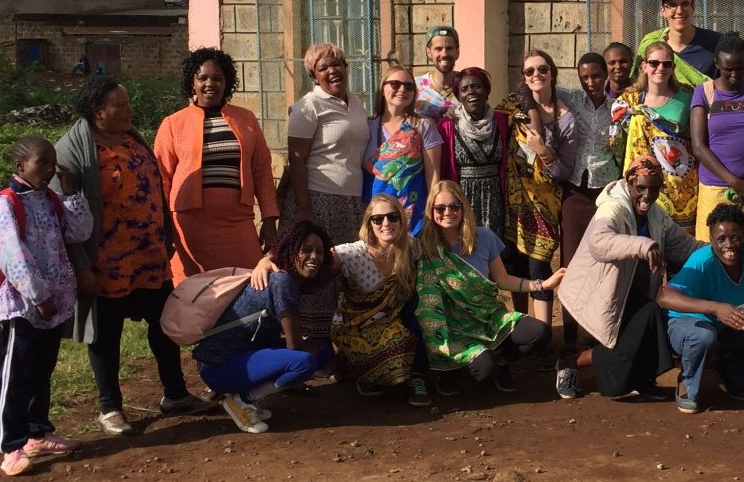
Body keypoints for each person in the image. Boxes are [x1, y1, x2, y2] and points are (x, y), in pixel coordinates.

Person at [55, 77, 206, 436]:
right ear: (97, 110)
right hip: (106, 261)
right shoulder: (73, 152)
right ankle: (110, 408)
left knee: (164, 325)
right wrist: (81, 266)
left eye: (128, 104)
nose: (128, 111)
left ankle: (175, 394)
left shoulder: (133, 140)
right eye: (119, 105)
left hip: (147, 256)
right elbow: (64, 215)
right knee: (106, 335)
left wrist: (164, 233)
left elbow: (154, 188)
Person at [0, 136, 93, 477]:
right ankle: (11, 445)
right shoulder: (5, 205)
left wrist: (70, 192)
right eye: (41, 163)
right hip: (24, 306)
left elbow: (80, 231)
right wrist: (38, 296)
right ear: (20, 167)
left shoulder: (48, 199)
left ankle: (37, 432)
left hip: (53, 305)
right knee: (16, 374)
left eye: (51, 163)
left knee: (42, 370)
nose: (48, 169)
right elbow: (11, 255)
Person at [557, 157, 697, 401]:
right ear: (629, 183)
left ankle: (644, 381)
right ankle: (568, 363)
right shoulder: (613, 208)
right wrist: (643, 246)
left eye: (653, 189)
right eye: (640, 188)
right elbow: (598, 242)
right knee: (621, 349)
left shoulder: (657, 215)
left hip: (633, 291)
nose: (646, 195)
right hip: (601, 293)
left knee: (652, 316)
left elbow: (684, 247)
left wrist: (718, 251)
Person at [414, 181, 564, 392]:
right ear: (431, 211)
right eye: (440, 208)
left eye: (454, 207)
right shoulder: (423, 246)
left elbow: (503, 280)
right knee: (483, 369)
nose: (448, 212)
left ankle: (501, 361)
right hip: (454, 328)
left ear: (463, 208)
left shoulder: (483, 237)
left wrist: (542, 284)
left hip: (489, 317)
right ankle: (450, 372)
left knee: (540, 332)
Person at [154, 47, 279, 284]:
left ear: (227, 82)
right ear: (192, 82)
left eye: (217, 78)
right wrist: (163, 227)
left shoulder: (247, 119)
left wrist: (270, 219)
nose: (210, 83)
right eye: (202, 78)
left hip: (237, 221)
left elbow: (262, 172)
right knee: (196, 292)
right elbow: (161, 179)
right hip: (190, 225)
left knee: (250, 284)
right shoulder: (172, 124)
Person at [202, 221, 335, 434]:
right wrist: (303, 347)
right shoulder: (282, 282)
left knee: (322, 352)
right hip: (219, 367)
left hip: (241, 357)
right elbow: (294, 347)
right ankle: (242, 400)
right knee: (304, 361)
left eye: (319, 252)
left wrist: (266, 258)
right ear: (292, 252)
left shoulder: (290, 279)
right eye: (306, 250)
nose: (314, 257)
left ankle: (246, 396)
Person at [657, 202, 744, 414]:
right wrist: (716, 308)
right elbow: (664, 296)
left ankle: (734, 376)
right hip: (687, 326)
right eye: (721, 239)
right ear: (711, 240)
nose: (729, 245)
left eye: (735, 237)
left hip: (728, 328)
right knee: (703, 335)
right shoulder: (702, 261)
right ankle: (687, 382)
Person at [282, 42, 371, 348]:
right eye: (324, 67)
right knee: (316, 271)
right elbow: (296, 160)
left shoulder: (356, 103)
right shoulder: (309, 107)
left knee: (341, 268)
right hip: (318, 199)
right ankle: (314, 346)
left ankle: (341, 340)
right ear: (313, 75)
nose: (333, 70)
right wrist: (306, 214)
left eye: (339, 64)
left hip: (350, 200)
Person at [500, 50, 576, 332]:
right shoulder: (511, 107)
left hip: (544, 206)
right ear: (523, 77)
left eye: (542, 69)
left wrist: (544, 153)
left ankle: (543, 333)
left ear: (552, 73)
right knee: (515, 266)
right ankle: (521, 326)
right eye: (530, 71)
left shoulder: (566, 118)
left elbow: (566, 171)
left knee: (538, 266)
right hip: (513, 202)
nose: (537, 75)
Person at [329, 194, 428, 406]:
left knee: (425, 313)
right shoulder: (353, 253)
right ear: (369, 223)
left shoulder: (411, 247)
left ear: (402, 220)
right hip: (356, 325)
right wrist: (267, 261)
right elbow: (314, 257)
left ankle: (416, 376)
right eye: (378, 219)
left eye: (393, 217)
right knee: (399, 342)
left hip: (392, 319)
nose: (386, 223)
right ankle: (360, 370)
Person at [558, 52, 620, 349]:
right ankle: (569, 337)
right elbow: (536, 90)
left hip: (606, 191)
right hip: (574, 190)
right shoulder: (569, 98)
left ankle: (599, 334)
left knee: (604, 262)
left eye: (596, 76)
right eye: (585, 77)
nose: (591, 82)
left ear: (606, 74)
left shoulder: (618, 107)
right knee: (571, 263)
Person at [610, 40, 698, 233]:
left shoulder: (687, 96)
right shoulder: (629, 101)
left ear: (673, 67)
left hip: (681, 185)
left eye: (667, 64)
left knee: (681, 247)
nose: (661, 68)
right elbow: (615, 140)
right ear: (643, 66)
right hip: (644, 186)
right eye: (654, 63)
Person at [689, 32, 744, 240]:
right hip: (716, 190)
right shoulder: (704, 93)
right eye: (728, 69)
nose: (735, 75)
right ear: (716, 63)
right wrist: (735, 182)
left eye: (740, 68)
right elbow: (698, 146)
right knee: (715, 253)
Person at [365, 66, 443, 235]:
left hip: (413, 219)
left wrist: (432, 219)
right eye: (395, 84)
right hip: (374, 218)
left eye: (409, 86)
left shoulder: (423, 127)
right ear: (382, 88)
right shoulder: (366, 126)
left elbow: (433, 177)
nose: (402, 90)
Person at [439, 67, 510, 238]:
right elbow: (441, 169)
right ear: (459, 96)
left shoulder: (501, 121)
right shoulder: (447, 126)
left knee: (492, 252)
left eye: (477, 86)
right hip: (461, 199)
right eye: (464, 89)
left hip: (495, 200)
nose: (471, 92)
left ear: (487, 91)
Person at [638, 0, 721, 86]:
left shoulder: (717, 42)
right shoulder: (651, 44)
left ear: (693, 7)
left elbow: (740, 74)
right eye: (672, 5)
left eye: (685, 4)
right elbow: (640, 83)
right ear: (663, 11)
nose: (679, 11)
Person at [415, 25, 461, 119]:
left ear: (457, 52)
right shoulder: (415, 87)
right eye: (438, 49)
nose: (444, 54)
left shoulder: (467, 85)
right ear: (429, 53)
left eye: (449, 48)